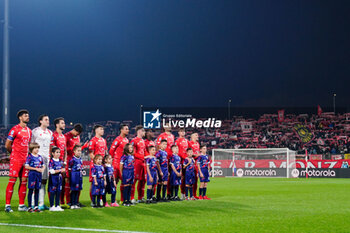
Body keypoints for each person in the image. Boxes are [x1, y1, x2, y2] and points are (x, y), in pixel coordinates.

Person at [5, 109, 32, 213]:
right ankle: (8, 205)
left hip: (25, 160)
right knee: (12, 181)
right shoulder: (14, 129)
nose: (27, 117)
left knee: (24, 182)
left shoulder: (29, 131)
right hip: (16, 159)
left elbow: (28, 145)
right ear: (20, 118)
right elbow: (7, 144)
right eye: (25, 116)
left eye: (28, 115)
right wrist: (13, 154)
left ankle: (21, 205)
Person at [31, 114, 53, 210]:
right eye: (46, 119)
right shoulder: (35, 131)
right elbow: (31, 145)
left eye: (48, 119)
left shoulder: (50, 132)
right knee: (36, 182)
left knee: (44, 182)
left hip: (46, 159)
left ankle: (41, 203)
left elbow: (50, 146)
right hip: (37, 159)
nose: (48, 121)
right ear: (41, 121)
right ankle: (33, 203)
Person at [64, 123, 83, 207]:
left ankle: (76, 201)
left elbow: (77, 148)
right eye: (77, 133)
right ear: (75, 130)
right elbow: (65, 149)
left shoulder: (77, 137)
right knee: (68, 181)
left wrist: (82, 147)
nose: (77, 135)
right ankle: (68, 201)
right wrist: (73, 148)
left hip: (77, 161)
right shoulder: (66, 136)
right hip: (69, 161)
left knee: (78, 182)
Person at [109, 124, 129, 203]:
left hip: (124, 164)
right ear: (121, 130)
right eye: (126, 129)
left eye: (128, 129)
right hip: (116, 163)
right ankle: (113, 200)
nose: (128, 130)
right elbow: (111, 150)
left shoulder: (127, 140)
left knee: (124, 181)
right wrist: (112, 160)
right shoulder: (118, 139)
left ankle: (122, 199)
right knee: (114, 182)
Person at [88, 125, 107, 204]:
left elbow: (106, 152)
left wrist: (105, 161)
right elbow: (90, 153)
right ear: (96, 131)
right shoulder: (93, 140)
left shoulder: (104, 140)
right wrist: (96, 162)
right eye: (101, 129)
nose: (103, 130)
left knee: (101, 182)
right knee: (93, 182)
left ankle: (100, 199)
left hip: (102, 165)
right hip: (95, 165)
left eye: (103, 129)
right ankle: (93, 200)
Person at [50, 117, 67, 206]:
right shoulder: (53, 135)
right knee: (53, 183)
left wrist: (64, 161)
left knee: (62, 182)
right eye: (62, 123)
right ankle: (52, 203)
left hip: (61, 163)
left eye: (64, 123)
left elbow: (65, 150)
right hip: (54, 162)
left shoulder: (63, 136)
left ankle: (60, 202)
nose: (64, 124)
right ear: (57, 125)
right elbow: (51, 149)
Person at [25, 143, 45, 213]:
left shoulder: (40, 157)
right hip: (32, 174)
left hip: (39, 175)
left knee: (37, 190)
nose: (37, 149)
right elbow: (26, 166)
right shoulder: (29, 157)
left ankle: (36, 206)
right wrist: (35, 169)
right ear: (31, 149)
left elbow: (43, 165)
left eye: (38, 148)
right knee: (31, 190)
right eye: (35, 148)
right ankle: (30, 207)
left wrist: (42, 169)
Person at [131, 125, 146, 203]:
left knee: (143, 180)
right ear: (139, 131)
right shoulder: (134, 141)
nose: (144, 132)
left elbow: (144, 151)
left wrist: (148, 156)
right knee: (134, 180)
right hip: (137, 163)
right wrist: (142, 157)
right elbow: (132, 152)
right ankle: (132, 197)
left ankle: (141, 197)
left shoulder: (143, 141)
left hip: (143, 163)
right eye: (143, 131)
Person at [48, 147, 65, 211]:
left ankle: (57, 205)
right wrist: (60, 170)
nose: (58, 154)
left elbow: (63, 169)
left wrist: (62, 170)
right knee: (52, 192)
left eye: (59, 152)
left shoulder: (61, 161)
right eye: (57, 152)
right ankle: (52, 206)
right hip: (53, 178)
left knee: (58, 192)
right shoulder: (51, 161)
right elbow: (51, 171)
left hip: (59, 178)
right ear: (53, 153)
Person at [175, 128, 189, 199]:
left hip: (187, 162)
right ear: (178, 133)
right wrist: (184, 157)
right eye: (181, 131)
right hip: (180, 162)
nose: (182, 133)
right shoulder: (177, 141)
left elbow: (189, 150)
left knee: (187, 178)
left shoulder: (187, 141)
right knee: (181, 178)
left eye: (183, 131)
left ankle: (185, 194)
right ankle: (180, 193)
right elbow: (177, 152)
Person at [69, 145, 83, 209]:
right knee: (73, 190)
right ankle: (72, 204)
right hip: (74, 176)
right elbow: (69, 169)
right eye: (78, 151)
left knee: (77, 190)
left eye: (80, 151)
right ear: (74, 151)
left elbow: (81, 168)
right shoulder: (72, 159)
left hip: (79, 176)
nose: (79, 152)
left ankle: (76, 203)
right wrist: (70, 177)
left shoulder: (80, 159)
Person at [188, 132, 200, 199]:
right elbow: (189, 153)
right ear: (192, 137)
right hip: (191, 163)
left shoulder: (197, 144)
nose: (197, 136)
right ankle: (190, 195)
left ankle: (194, 194)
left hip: (196, 163)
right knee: (190, 180)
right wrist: (195, 155)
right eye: (196, 135)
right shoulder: (190, 143)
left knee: (196, 179)